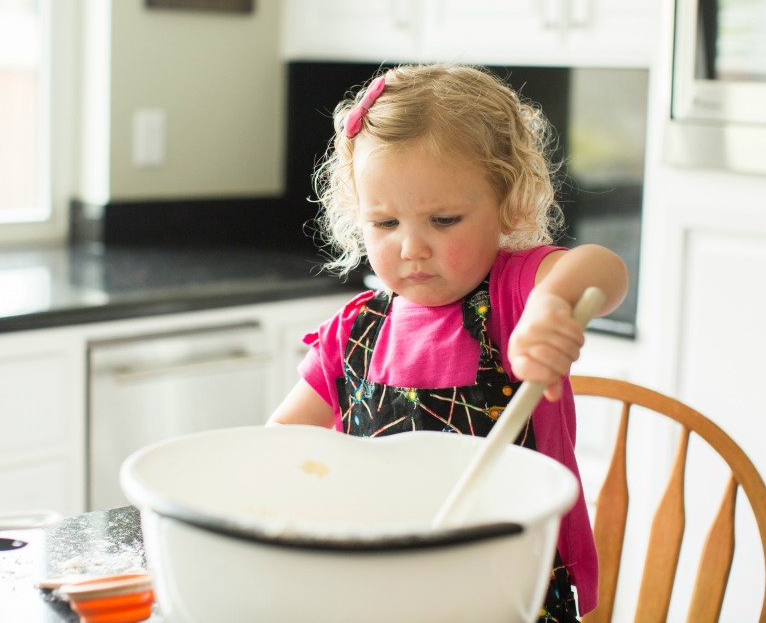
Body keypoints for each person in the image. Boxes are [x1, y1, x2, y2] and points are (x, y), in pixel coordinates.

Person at [268, 63, 628, 621]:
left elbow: (602, 269)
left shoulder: (513, 296)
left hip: (508, 591)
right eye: (385, 224)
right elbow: (280, 447)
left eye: (443, 219)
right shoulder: (353, 334)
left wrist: (552, 306)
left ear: (507, 203)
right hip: (380, 592)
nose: (412, 247)